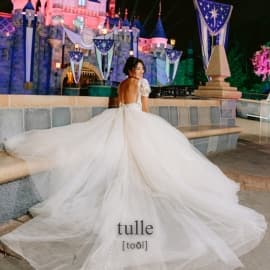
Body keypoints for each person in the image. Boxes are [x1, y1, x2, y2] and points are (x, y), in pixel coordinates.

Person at [0, 56, 267, 270]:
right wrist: (150, 121)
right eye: (138, 68)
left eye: (141, 68)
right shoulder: (141, 85)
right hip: (137, 121)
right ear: (134, 70)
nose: (140, 71)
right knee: (152, 157)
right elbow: (145, 109)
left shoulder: (120, 84)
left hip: (120, 120)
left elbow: (119, 105)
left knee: (126, 158)